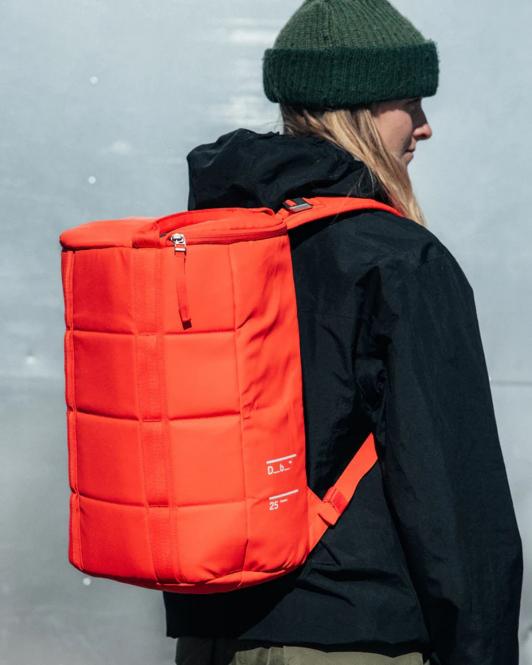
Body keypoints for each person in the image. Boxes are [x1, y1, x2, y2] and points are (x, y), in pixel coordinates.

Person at [163, 1, 524, 663]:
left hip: (214, 633)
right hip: (355, 636)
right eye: (409, 104)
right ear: (358, 111)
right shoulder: (398, 259)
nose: (424, 126)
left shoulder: (210, 245)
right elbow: (454, 500)